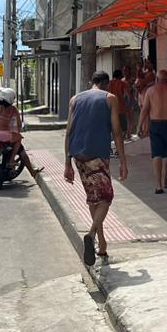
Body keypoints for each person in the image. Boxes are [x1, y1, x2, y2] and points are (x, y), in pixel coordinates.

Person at [64, 71, 127, 266]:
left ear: (92, 82)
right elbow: (116, 132)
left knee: (94, 198)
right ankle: (91, 234)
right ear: (106, 84)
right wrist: (124, 161)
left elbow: (68, 131)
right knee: (106, 197)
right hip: (97, 155)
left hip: (77, 155)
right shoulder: (110, 99)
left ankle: (101, 244)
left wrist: (67, 163)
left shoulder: (75, 99)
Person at [138, 68, 167, 194]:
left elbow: (145, 109)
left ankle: (159, 186)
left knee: (156, 154)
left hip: (156, 125)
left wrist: (139, 126)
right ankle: (165, 180)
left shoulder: (150, 91)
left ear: (156, 79)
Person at [108, 69, 129, 146]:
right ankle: (119, 147)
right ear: (120, 76)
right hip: (121, 109)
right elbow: (127, 95)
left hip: (110, 109)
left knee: (110, 129)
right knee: (123, 129)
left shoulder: (108, 83)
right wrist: (128, 105)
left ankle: (110, 147)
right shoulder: (122, 83)